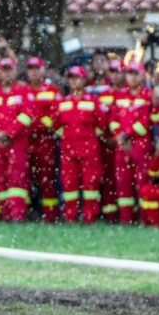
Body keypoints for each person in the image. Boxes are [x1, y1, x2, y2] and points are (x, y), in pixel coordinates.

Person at [0, 58, 35, 222]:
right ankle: (6, 214)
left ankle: (18, 214)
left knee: (17, 180)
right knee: (0, 179)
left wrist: (9, 134)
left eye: (9, 69)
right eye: (3, 69)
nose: (6, 72)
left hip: (17, 144)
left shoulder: (24, 91)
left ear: (15, 71)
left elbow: (27, 115)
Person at [56, 66, 107, 223]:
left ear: (84, 80)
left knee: (90, 184)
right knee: (69, 184)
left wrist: (88, 137)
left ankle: (90, 216)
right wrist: (69, 137)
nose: (74, 80)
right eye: (71, 77)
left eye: (77, 77)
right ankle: (71, 216)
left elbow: (103, 124)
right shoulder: (63, 102)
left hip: (89, 149)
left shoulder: (92, 102)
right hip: (68, 149)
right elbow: (56, 125)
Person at [110, 61, 154, 224]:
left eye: (136, 73)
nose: (132, 77)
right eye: (130, 73)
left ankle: (144, 218)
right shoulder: (120, 95)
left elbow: (146, 121)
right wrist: (119, 136)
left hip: (141, 146)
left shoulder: (148, 95)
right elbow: (113, 120)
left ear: (142, 75)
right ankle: (125, 219)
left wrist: (127, 134)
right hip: (122, 146)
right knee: (123, 182)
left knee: (142, 182)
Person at [26, 57, 61, 221]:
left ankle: (51, 215)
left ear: (43, 70)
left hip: (45, 142)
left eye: (36, 68)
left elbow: (55, 115)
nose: (33, 71)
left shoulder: (52, 91)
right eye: (30, 68)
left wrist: (37, 126)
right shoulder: (23, 91)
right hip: (25, 142)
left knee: (47, 182)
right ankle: (25, 213)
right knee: (22, 180)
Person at [97, 59, 125, 221]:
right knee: (108, 180)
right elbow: (99, 120)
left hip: (125, 143)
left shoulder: (127, 94)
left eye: (118, 71)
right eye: (112, 71)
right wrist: (105, 137)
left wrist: (119, 137)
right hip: (106, 145)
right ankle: (110, 215)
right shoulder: (103, 96)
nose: (114, 75)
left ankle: (127, 215)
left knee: (124, 181)